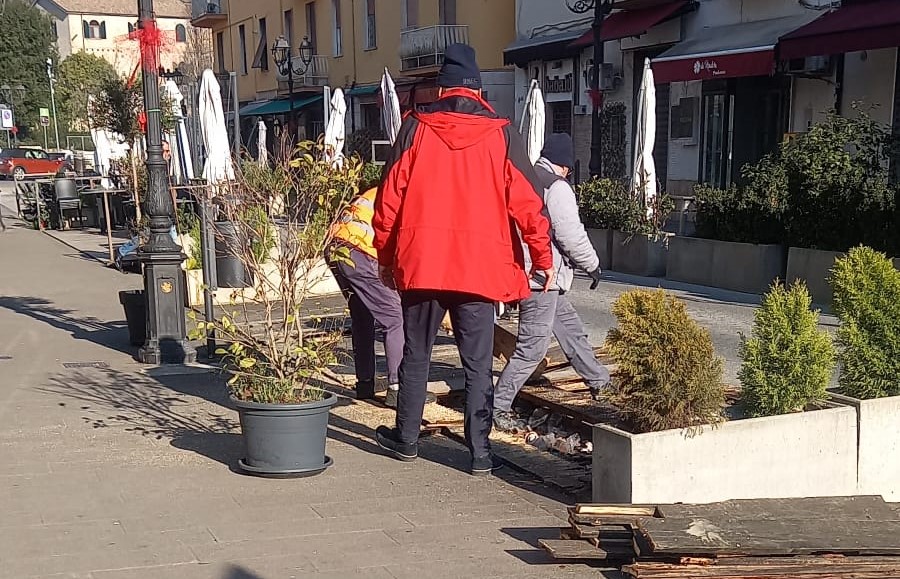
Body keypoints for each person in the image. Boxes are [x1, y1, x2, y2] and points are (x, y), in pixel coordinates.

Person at [372, 43, 555, 475]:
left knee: (416, 354)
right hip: (480, 268)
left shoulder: (414, 129)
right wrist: (542, 259)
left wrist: (386, 256)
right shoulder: (501, 135)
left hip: (423, 264)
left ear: (442, 88)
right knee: (477, 364)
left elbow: (388, 201)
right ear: (478, 89)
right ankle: (480, 454)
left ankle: (407, 440)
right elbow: (530, 205)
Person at [492, 134, 611, 433]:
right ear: (566, 166)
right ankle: (497, 407)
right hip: (542, 279)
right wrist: (592, 265)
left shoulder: (527, 177)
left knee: (571, 332)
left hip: (530, 273)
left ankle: (600, 382)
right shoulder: (557, 187)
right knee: (532, 348)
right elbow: (570, 234)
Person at [327, 186, 437, 408]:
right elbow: (403, 243)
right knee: (395, 317)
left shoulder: (380, 190)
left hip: (336, 246)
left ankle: (365, 383)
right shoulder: (408, 196)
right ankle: (398, 389)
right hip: (360, 251)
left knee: (362, 316)